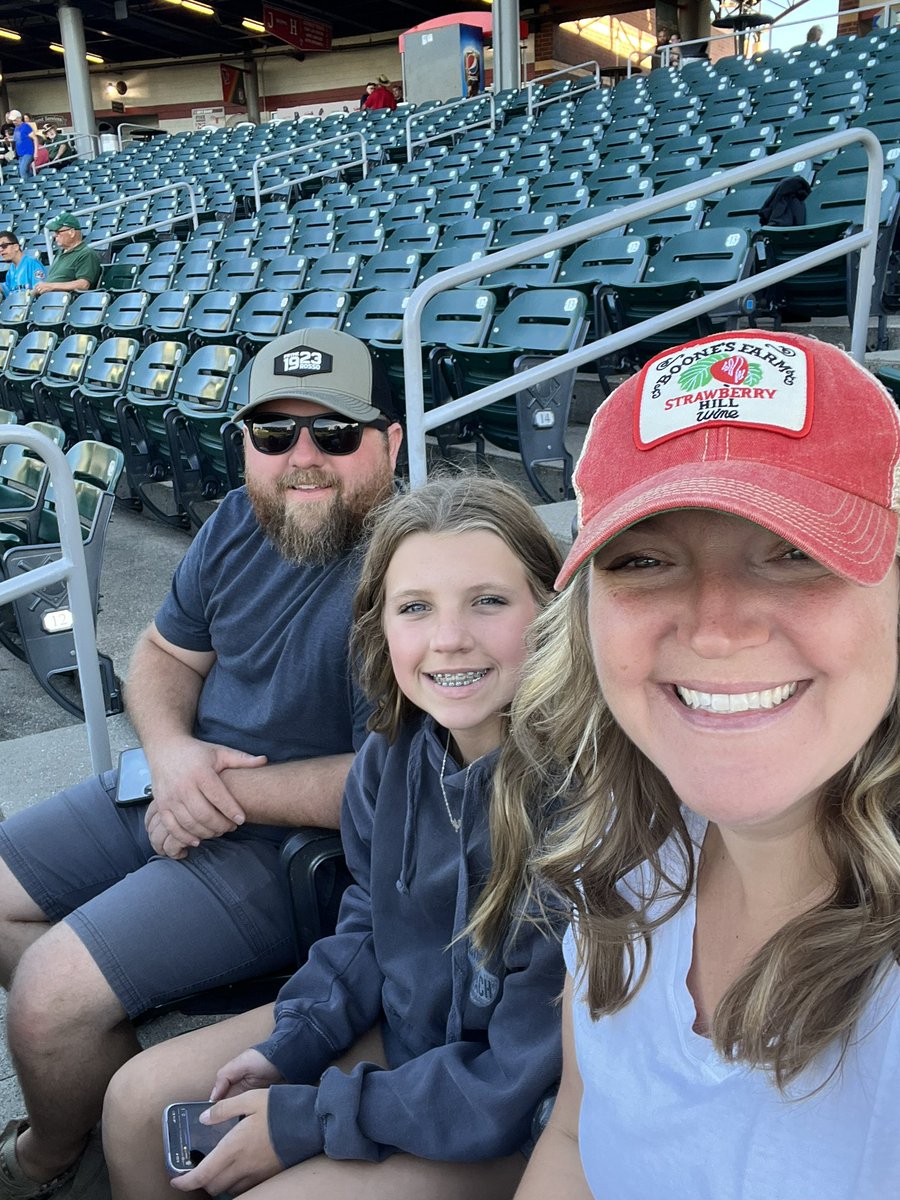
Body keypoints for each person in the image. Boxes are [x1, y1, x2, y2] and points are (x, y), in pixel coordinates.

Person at [491, 330, 900, 1198]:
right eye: (644, 559)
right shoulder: (625, 863)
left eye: (796, 552)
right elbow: (574, 1135)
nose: (715, 629)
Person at [0, 328, 403, 1200]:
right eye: (274, 433)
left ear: (391, 443)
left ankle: (46, 1161)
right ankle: (96, 1112)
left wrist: (215, 788)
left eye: (336, 433)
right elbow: (162, 656)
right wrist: (175, 754)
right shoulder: (236, 521)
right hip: (179, 782)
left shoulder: (410, 566)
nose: (303, 458)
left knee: (46, 997)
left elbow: (394, 781)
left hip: (292, 851)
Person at [103, 475, 566, 1200]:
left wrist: (308, 1119)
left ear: (549, 610)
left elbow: (514, 1082)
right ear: (381, 626)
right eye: (415, 607)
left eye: (488, 601)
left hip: (513, 1109)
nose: (449, 638)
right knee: (136, 1105)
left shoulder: (576, 808)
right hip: (410, 1035)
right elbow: (369, 923)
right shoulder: (391, 756)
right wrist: (294, 1043)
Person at [32, 213, 101, 295]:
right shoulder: (60, 252)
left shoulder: (86, 254)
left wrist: (52, 286)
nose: (54, 235)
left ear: (72, 232)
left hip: (66, 300)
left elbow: (83, 284)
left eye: (58, 232)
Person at [5, 110, 34, 180]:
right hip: (20, 154)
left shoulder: (26, 126)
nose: (13, 122)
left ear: (19, 118)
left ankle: (28, 184)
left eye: (15, 120)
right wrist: (8, 139)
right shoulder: (16, 128)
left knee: (22, 171)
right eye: (13, 120)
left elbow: (35, 138)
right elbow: (16, 139)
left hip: (28, 152)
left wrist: (35, 152)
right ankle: (32, 181)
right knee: (25, 171)